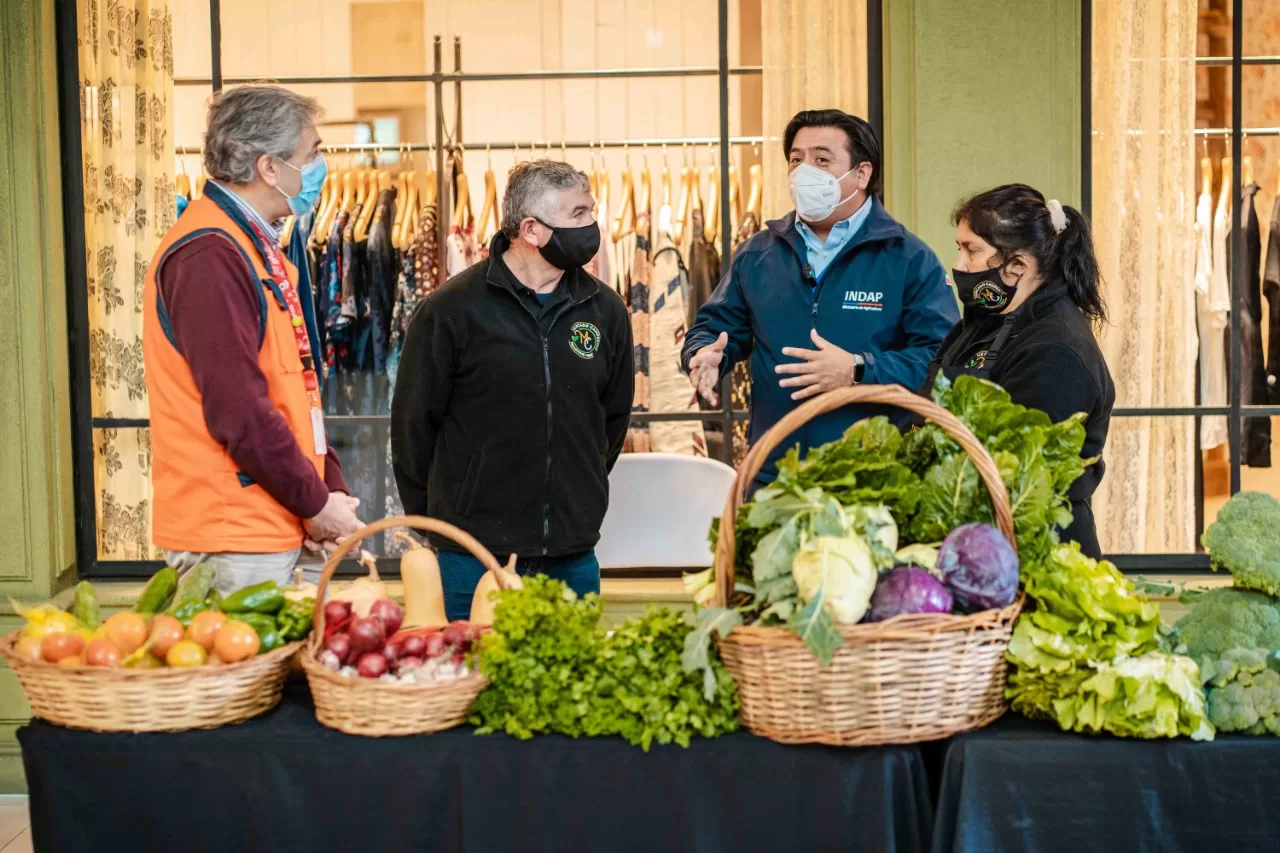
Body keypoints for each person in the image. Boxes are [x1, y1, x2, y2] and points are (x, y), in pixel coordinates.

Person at [391, 159, 634, 621]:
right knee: (474, 682)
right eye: (579, 214)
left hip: (572, 553)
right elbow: (412, 426)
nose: (592, 225)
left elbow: (612, 419)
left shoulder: (605, 310)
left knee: (571, 685)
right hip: (472, 556)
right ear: (532, 230)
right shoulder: (450, 311)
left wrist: (577, 490)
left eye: (592, 211)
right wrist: (437, 523)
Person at [143, 85, 363, 593]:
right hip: (232, 531)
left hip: (271, 521)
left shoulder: (256, 248)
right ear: (269, 167)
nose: (318, 167)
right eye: (311, 154)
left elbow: (292, 387)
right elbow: (239, 411)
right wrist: (314, 503)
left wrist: (326, 488)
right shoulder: (209, 255)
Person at [681, 109, 958, 485]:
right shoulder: (757, 255)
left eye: (821, 160)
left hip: (872, 480)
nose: (803, 171)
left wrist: (859, 370)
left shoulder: (908, 259)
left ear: (862, 173)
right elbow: (716, 328)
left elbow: (941, 361)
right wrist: (704, 354)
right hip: (774, 476)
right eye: (796, 159)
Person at [929, 184, 1115, 558]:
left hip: (1038, 550)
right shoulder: (984, 321)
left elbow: (1018, 473)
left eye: (972, 250)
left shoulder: (1055, 350)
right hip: (981, 533)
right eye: (958, 248)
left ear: (1017, 266)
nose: (960, 264)